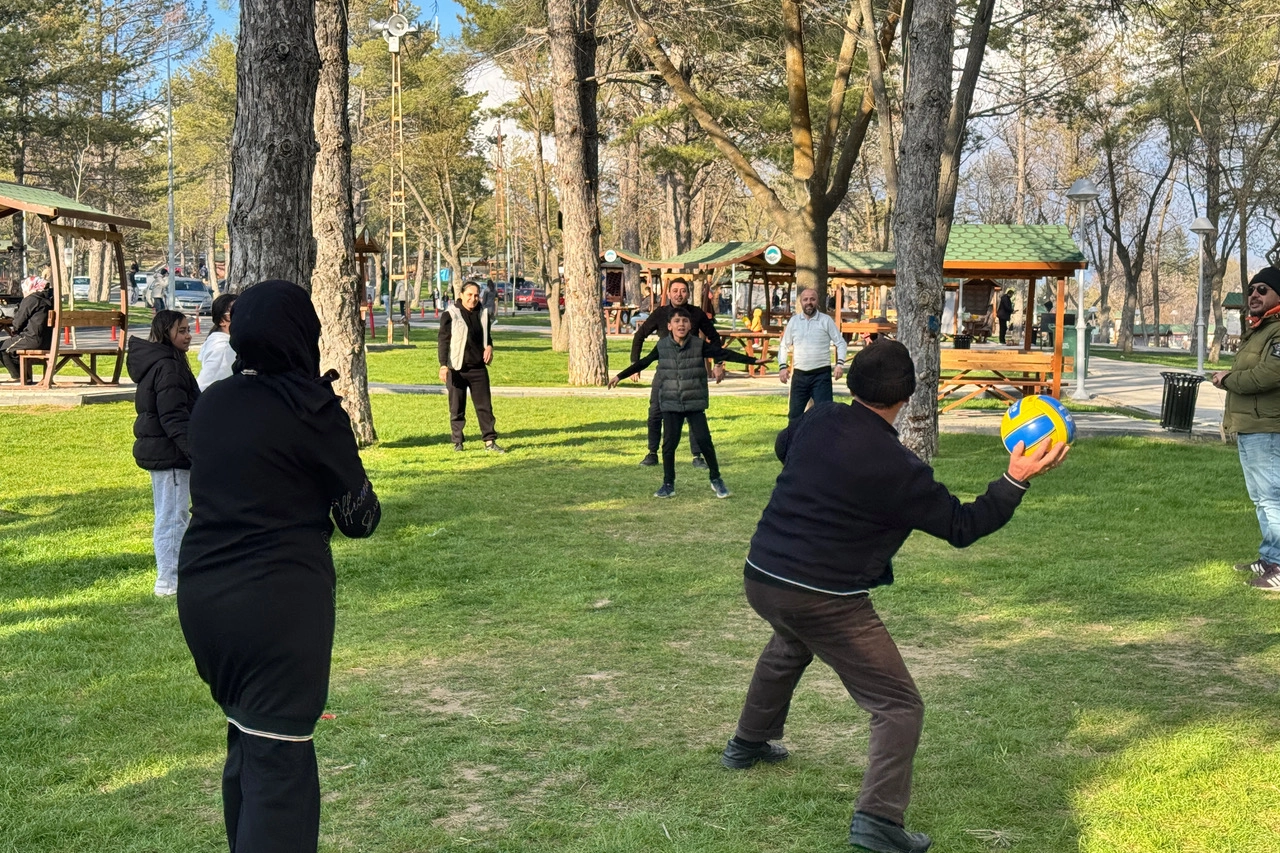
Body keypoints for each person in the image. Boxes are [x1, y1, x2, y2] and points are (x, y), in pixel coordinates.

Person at [720, 339, 1067, 853]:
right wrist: (1015, 479)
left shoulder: (820, 418)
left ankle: (746, 744)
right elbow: (963, 525)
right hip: (823, 597)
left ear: (852, 381)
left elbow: (783, 446)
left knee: (790, 643)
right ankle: (878, 822)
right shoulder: (900, 469)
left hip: (762, 576)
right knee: (899, 705)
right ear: (908, 394)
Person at [177, 280, 381, 853]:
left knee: (249, 742)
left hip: (205, 596)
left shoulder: (214, 402)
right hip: (277, 605)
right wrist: (333, 433)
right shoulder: (312, 409)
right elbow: (360, 518)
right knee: (280, 767)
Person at [610, 305, 766, 498]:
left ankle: (716, 479)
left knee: (705, 442)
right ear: (669, 326)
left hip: (694, 402)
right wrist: (620, 376)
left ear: (690, 325)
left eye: (684, 321)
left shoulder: (698, 345)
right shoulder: (662, 346)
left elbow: (723, 353)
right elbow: (644, 362)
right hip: (671, 402)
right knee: (669, 446)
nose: (681, 325)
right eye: (676, 321)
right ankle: (668, 484)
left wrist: (753, 362)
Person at [1211, 266, 1280, 592]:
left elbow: (1269, 375)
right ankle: (1270, 557)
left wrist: (1228, 379)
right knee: (1261, 499)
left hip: (1268, 428)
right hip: (1252, 426)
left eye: (1263, 289)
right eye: (1252, 289)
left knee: (1272, 499)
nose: (1254, 294)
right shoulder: (1260, 329)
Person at [126, 310, 200, 596]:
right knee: (172, 517)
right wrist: (193, 452)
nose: (188, 335)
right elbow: (173, 417)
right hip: (170, 454)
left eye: (188, 330)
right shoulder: (168, 366)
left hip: (167, 452)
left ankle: (175, 576)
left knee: (171, 515)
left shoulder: (168, 362)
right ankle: (168, 582)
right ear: (165, 333)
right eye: (181, 331)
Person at [629, 277, 724, 469]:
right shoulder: (660, 313)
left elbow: (714, 337)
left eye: (683, 291)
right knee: (655, 412)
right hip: (665, 373)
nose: (679, 294)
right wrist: (635, 363)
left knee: (694, 414)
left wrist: (718, 363)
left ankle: (697, 456)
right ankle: (652, 453)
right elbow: (639, 335)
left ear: (688, 293)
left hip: (691, 373)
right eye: (675, 291)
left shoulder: (696, 314)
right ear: (669, 293)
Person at [438, 281, 504, 453]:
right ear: (461, 295)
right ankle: (458, 442)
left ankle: (489, 442)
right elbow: (443, 341)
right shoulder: (450, 314)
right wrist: (443, 365)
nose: (473, 299)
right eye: (469, 295)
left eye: (476, 295)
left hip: (478, 368)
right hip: (456, 368)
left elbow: (487, 336)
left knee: (485, 407)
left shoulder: (483, 313)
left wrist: (489, 346)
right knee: (457, 408)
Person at [777, 287, 848, 423]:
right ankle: (794, 438)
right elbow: (783, 345)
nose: (809, 302)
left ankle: (823, 438)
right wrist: (782, 367)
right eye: (805, 299)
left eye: (812, 299)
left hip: (821, 376)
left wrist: (839, 364)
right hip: (799, 376)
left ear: (817, 301)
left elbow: (840, 343)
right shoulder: (794, 321)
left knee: (825, 416)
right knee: (794, 417)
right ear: (800, 302)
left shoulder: (826, 320)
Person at [1, 275, 54, 381]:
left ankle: (19, 376)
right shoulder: (50, 300)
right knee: (12, 346)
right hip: (48, 341)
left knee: (2, 348)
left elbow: (18, 322)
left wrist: (15, 329)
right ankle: (25, 377)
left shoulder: (31, 299)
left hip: (32, 339)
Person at [197, 293, 237, 391]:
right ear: (221, 321)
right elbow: (205, 387)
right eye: (234, 313)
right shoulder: (223, 349)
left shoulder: (223, 342)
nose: (241, 317)